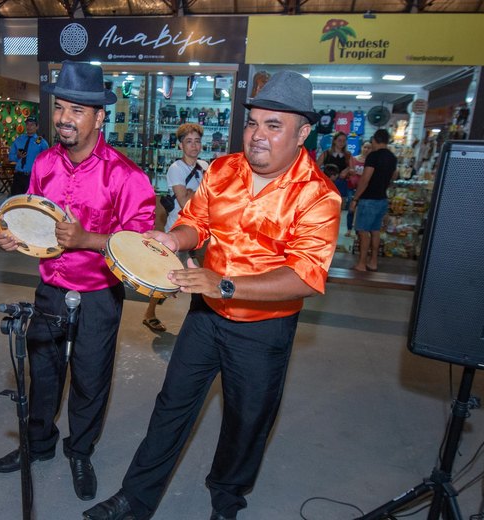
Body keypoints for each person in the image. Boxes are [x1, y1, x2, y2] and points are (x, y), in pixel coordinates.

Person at [84, 70, 341, 520]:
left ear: (302, 133)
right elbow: (196, 223)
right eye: (252, 123)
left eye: (273, 125)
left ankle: (226, 501)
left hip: (264, 330)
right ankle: (135, 498)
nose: (257, 135)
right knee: (172, 405)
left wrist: (223, 284)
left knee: (247, 422)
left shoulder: (319, 195)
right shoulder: (223, 170)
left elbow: (307, 276)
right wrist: (174, 241)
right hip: (206, 316)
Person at [0, 61, 155, 501]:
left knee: (90, 378)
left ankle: (80, 451)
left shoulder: (126, 175)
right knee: (42, 374)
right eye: (60, 107)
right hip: (50, 287)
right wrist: (13, 236)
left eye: (77, 110)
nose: (64, 118)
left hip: (99, 294)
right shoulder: (44, 162)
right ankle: (38, 445)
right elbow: (35, 220)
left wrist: (88, 239)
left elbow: (140, 246)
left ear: (100, 117)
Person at [143, 122, 209, 333]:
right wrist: (197, 195)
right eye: (188, 142)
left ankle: (199, 322)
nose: (194, 146)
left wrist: (192, 193)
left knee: (202, 277)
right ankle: (149, 313)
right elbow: (184, 203)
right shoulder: (175, 169)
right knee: (167, 277)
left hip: (201, 231)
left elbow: (209, 199)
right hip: (178, 230)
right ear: (181, 145)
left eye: (197, 141)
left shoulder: (205, 166)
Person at [350, 129, 398, 272]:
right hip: (382, 198)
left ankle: (361, 264)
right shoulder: (392, 157)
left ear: (375, 140)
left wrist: (355, 198)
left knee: (363, 231)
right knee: (375, 231)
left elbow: (365, 179)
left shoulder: (373, 156)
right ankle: (373, 262)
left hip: (368, 199)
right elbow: (393, 177)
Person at [7, 116, 49, 195]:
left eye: (32, 125)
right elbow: (10, 157)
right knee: (16, 201)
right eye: (27, 124)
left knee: (30, 203)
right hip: (18, 176)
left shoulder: (42, 143)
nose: (29, 127)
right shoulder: (19, 140)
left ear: (37, 127)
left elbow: (47, 161)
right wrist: (18, 156)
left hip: (32, 177)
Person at [347, 141, 372, 237]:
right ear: (361, 147)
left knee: (361, 210)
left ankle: (358, 230)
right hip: (352, 186)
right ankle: (349, 229)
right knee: (351, 208)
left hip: (364, 188)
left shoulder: (370, 162)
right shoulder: (354, 159)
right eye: (365, 147)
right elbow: (349, 170)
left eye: (369, 148)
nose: (366, 149)